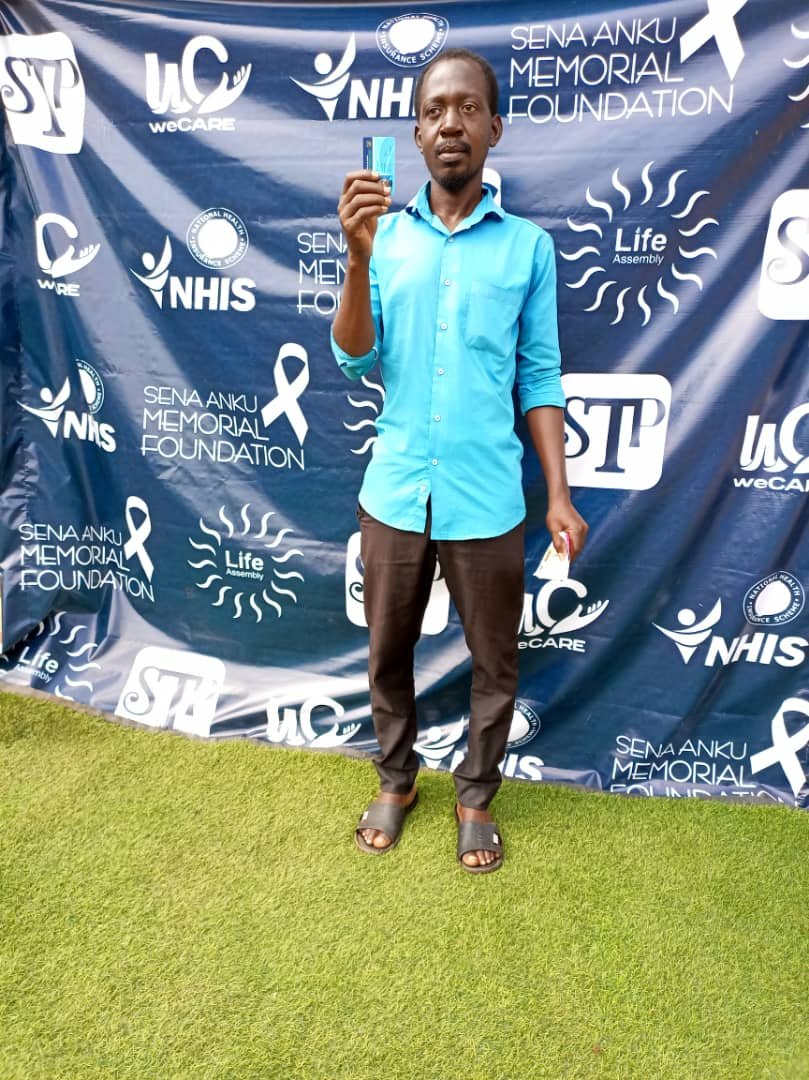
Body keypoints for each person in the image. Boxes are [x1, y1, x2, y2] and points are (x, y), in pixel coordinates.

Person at [331, 48, 587, 873]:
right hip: (396, 491)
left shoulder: (529, 249)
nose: (450, 122)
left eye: (467, 107)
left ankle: (475, 793)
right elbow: (353, 359)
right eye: (434, 109)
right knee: (386, 653)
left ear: (493, 128)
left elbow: (539, 376)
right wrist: (357, 257)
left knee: (494, 663)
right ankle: (396, 779)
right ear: (415, 133)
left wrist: (558, 493)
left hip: (486, 498)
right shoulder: (382, 238)